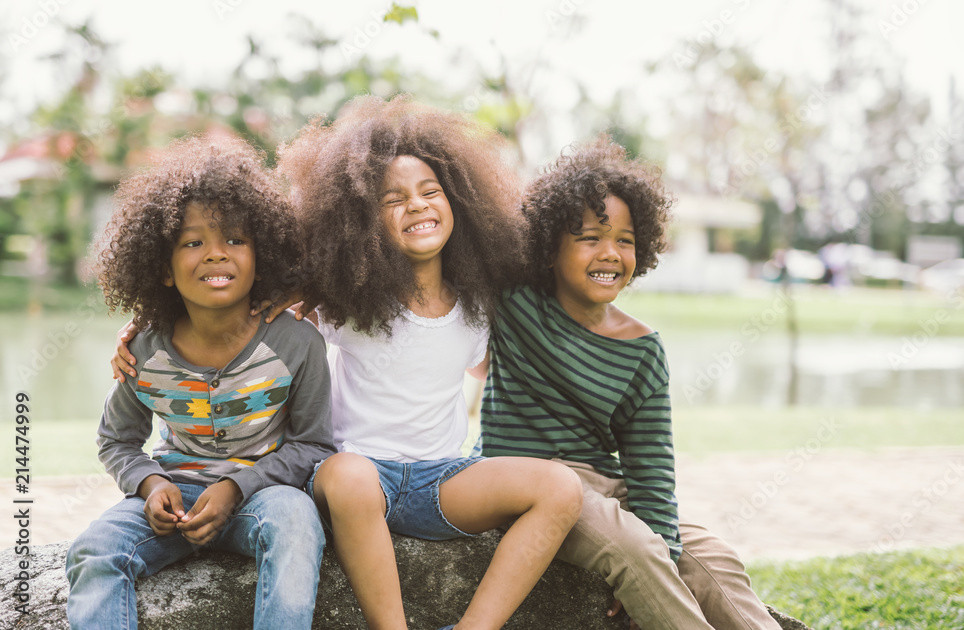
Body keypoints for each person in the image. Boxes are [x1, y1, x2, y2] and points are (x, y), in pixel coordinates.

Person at [115, 98, 583, 629]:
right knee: (351, 474)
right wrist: (141, 328)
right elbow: (233, 310)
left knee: (561, 488)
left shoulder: (478, 309)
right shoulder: (342, 300)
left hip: (441, 480)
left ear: (463, 205)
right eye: (394, 199)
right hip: (351, 477)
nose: (418, 205)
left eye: (431, 192)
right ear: (360, 218)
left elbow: (488, 369)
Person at [480, 136, 782, 630]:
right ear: (550, 248)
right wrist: (646, 558)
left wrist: (664, 547)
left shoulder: (642, 348)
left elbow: (651, 467)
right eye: (590, 237)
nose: (610, 253)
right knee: (638, 548)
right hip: (528, 487)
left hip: (607, 488)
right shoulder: (515, 302)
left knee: (711, 558)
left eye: (625, 240)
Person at [71, 135, 336, 630]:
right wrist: (150, 485)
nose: (216, 254)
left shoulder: (296, 344)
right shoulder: (145, 350)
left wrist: (239, 486)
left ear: (261, 256)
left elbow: (315, 444)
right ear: (163, 269)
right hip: (175, 495)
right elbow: (117, 440)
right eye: (193, 243)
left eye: (235, 240)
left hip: (265, 495)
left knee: (298, 524)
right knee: (95, 548)